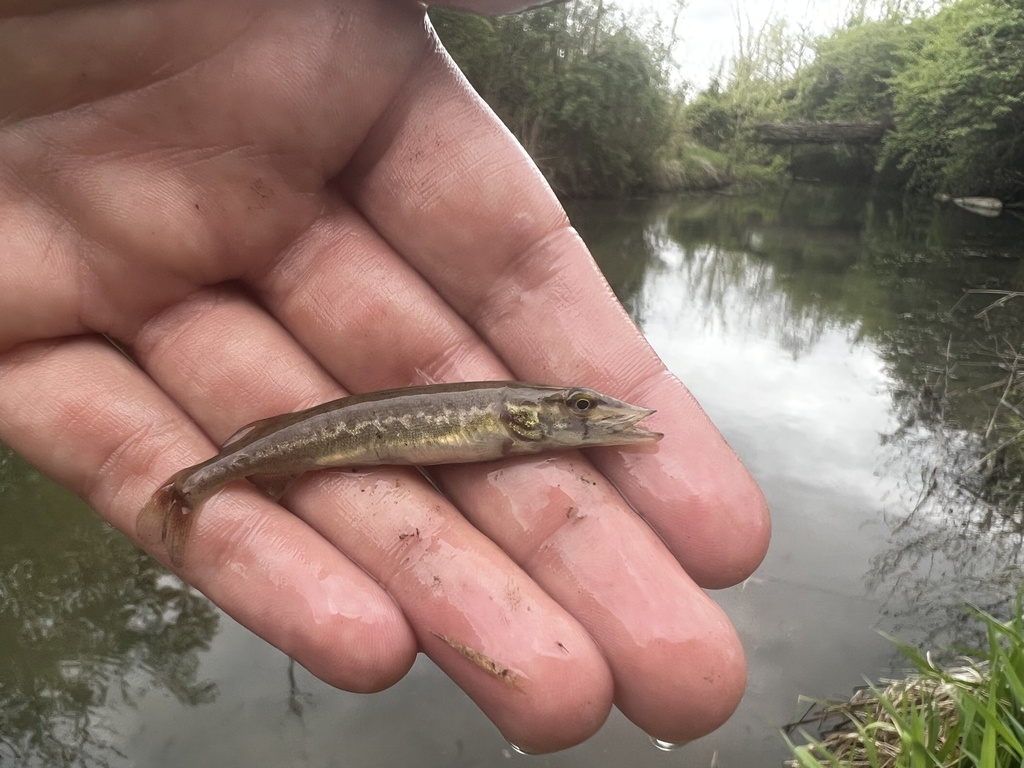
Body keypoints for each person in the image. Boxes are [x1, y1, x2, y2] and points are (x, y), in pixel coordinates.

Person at [0, 0, 770, 753]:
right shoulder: (515, 422)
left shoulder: (516, 428)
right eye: (573, 409)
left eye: (575, 408)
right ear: (538, 416)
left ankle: (203, 484)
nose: (584, 414)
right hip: (272, 449)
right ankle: (193, 489)